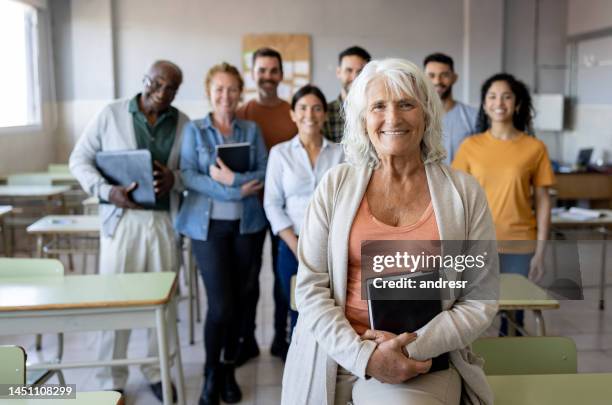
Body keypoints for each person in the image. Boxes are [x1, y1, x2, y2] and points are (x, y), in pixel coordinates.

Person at [281, 58, 499, 405]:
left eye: (406, 104)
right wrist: (365, 356)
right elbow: (311, 289)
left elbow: (479, 299)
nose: (393, 118)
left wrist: (405, 348)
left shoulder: (464, 193)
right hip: (332, 352)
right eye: (378, 106)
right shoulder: (335, 185)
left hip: (422, 357)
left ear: (426, 113)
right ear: (363, 119)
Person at [69, 60, 187, 401]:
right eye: (157, 83)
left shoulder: (182, 123)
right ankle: (111, 374)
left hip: (163, 222)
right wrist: (108, 192)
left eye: (171, 88)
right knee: (114, 301)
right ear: (144, 80)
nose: (162, 93)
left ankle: (157, 370)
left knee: (163, 302)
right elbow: (79, 159)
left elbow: (190, 171)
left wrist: (174, 179)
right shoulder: (111, 113)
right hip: (121, 223)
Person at [174, 62, 267, 405]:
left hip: (247, 226)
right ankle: (211, 373)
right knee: (221, 304)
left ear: (241, 92)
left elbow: (263, 168)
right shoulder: (195, 131)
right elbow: (187, 175)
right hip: (206, 227)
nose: (225, 96)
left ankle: (229, 368)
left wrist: (233, 181)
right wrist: (233, 190)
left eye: (232, 89)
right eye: (219, 89)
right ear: (209, 93)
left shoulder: (252, 130)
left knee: (242, 302)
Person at [452, 73, 554, 335]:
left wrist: (541, 250)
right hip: (477, 242)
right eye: (493, 96)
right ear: (485, 104)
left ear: (517, 104)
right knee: (474, 312)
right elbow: (456, 197)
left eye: (507, 96)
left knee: (513, 314)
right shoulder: (470, 146)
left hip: (520, 242)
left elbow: (543, 201)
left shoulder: (535, 147)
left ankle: (512, 369)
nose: (500, 102)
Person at [264, 85, 344, 339]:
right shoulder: (280, 153)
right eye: (303, 108)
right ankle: (297, 364)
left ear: (325, 114)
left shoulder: (341, 153)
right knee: (297, 308)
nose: (310, 114)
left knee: (332, 307)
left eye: (317, 108)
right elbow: (272, 204)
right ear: (293, 114)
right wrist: (296, 246)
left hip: (332, 245)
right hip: (291, 244)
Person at [236, 47, 297, 362]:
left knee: (282, 278)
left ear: (281, 74)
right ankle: (247, 339)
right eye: (262, 70)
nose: (268, 77)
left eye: (274, 70)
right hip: (250, 209)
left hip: (283, 212)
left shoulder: (292, 113)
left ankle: (280, 338)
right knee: (249, 278)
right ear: (253, 73)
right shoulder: (244, 113)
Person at [423, 53, 477, 164]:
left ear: (454, 78)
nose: (437, 81)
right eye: (431, 75)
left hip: (463, 180)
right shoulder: (416, 116)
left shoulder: (473, 116)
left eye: (444, 75)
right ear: (423, 79)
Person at [323, 46, 371, 143]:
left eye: (360, 71)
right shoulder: (325, 112)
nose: (355, 77)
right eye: (349, 70)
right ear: (338, 72)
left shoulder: (378, 109)